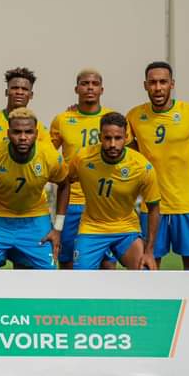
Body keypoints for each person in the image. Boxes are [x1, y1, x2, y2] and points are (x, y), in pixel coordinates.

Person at [126, 61, 189, 270]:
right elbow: (129, 156)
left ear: (172, 84)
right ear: (145, 85)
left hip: (187, 205)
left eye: (163, 82)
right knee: (149, 265)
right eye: (153, 82)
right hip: (152, 206)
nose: (158, 87)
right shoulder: (134, 116)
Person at [0, 108, 69, 269]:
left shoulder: (50, 156)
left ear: (36, 134)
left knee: (49, 272)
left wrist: (58, 228)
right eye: (17, 132)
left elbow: (65, 184)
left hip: (35, 218)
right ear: (8, 133)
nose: (23, 137)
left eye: (28, 132)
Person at [50, 67, 126, 270]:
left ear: (102, 89)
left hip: (104, 203)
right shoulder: (62, 120)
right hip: (71, 202)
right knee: (67, 261)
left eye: (94, 84)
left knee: (107, 264)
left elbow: (127, 154)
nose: (90, 88)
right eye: (85, 84)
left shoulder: (113, 119)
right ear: (76, 89)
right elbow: (48, 156)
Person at [67, 112, 159, 270]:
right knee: (80, 278)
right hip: (92, 228)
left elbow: (154, 209)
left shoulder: (142, 167)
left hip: (126, 229)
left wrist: (149, 251)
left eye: (118, 138)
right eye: (107, 138)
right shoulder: (83, 158)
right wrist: (59, 222)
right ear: (100, 137)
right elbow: (65, 182)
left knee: (145, 271)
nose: (112, 144)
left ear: (126, 137)